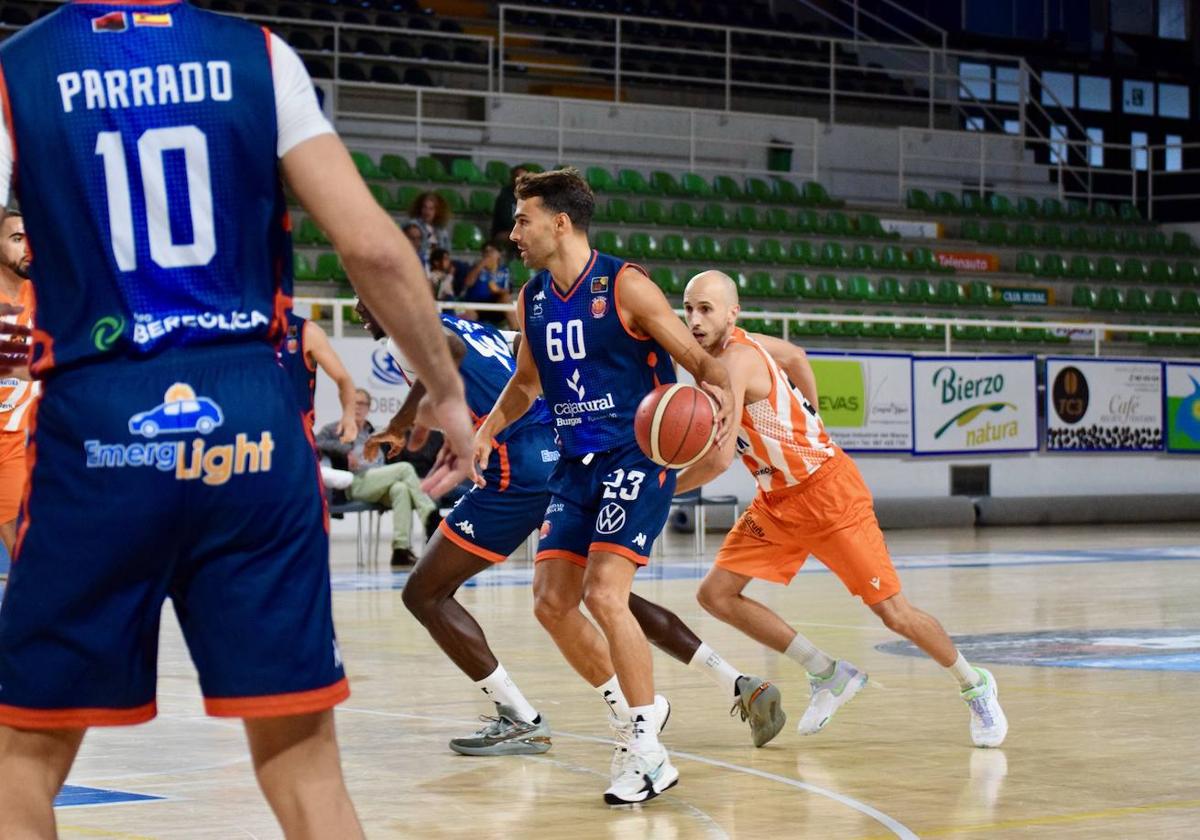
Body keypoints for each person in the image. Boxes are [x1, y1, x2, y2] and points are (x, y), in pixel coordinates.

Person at [0, 5, 475, 838]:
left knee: (19, 763)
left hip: (101, 414)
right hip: (250, 418)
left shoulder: (19, 68)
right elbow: (372, 248)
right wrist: (444, 390)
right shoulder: (256, 55)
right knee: (303, 766)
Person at [361, 302, 786, 762]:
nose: (364, 307)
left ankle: (524, 717)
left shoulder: (408, 329)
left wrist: (402, 423)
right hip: (555, 455)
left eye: (366, 295)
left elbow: (445, 351)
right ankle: (735, 682)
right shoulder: (468, 324)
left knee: (425, 594)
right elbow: (521, 347)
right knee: (602, 591)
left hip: (518, 470)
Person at [432, 167, 734, 806]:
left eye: (523, 219)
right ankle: (636, 715)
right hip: (574, 462)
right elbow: (524, 382)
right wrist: (487, 431)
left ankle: (647, 750)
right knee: (551, 601)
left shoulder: (626, 286)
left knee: (604, 591)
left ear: (559, 222)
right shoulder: (533, 298)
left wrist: (722, 399)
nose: (513, 232)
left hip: (635, 453)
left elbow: (701, 359)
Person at [675, 271, 1008, 749]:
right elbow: (795, 356)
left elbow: (719, 458)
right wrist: (811, 413)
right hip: (778, 499)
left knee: (894, 613)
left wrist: (662, 487)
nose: (694, 318)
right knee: (716, 595)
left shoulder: (736, 363)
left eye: (705, 308)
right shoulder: (725, 350)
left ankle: (975, 685)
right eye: (688, 308)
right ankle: (828, 674)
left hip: (828, 494)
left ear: (733, 312)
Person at [318, 389, 438, 567]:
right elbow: (316, 442)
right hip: (354, 481)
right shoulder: (335, 428)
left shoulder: (373, 430)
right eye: (354, 403)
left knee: (401, 490)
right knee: (405, 469)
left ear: (368, 408)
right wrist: (345, 450)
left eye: (362, 404)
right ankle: (431, 518)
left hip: (379, 481)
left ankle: (400, 550)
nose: (358, 408)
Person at [0, 210, 34, 556]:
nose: (27, 247)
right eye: (15, 238)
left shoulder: (40, 294)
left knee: (24, 546)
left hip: (9, 442)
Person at [279, 309, 357, 436]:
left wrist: (349, 415)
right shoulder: (239, 333)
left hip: (293, 434)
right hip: (247, 434)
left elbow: (343, 379)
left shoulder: (306, 330)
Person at [460, 242, 518, 329]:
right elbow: (468, 283)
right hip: (476, 306)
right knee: (468, 313)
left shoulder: (504, 271)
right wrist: (480, 266)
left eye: (491, 251)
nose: (488, 254)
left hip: (495, 307)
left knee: (506, 299)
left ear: (499, 254)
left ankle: (516, 333)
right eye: (485, 251)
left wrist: (497, 290)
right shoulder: (475, 268)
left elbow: (506, 291)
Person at [407, 191, 451, 269]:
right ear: (420, 209)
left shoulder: (442, 231)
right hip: (419, 263)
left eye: (431, 209)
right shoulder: (413, 225)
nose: (427, 212)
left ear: (437, 212)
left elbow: (446, 252)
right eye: (425, 207)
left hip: (436, 265)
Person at [491, 164, 528, 252]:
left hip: (523, 229)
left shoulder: (531, 196)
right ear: (513, 179)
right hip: (505, 231)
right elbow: (507, 220)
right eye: (518, 178)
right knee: (523, 237)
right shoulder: (504, 197)